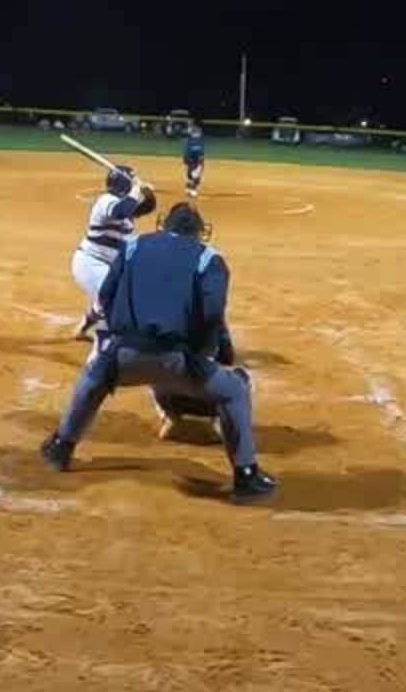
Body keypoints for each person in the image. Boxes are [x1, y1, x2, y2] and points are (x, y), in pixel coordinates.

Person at [40, 202, 277, 505]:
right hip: (175, 359)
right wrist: (205, 353)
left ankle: (61, 447)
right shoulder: (209, 259)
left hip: (123, 355)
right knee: (235, 390)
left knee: (94, 377)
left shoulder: (133, 245)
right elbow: (213, 314)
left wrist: (116, 337)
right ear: (199, 232)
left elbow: (106, 295)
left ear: (164, 225)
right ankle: (246, 476)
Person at [71, 165, 157, 340]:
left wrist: (148, 195)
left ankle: (84, 327)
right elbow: (120, 212)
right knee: (115, 301)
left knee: (112, 298)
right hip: (91, 263)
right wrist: (135, 189)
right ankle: (102, 355)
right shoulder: (106, 201)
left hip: (110, 266)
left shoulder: (124, 203)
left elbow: (146, 208)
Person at [182, 123, 206, 198]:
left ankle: (190, 188)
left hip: (194, 158)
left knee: (194, 174)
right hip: (192, 158)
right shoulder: (190, 141)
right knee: (194, 174)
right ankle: (192, 189)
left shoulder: (196, 141)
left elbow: (201, 153)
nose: (198, 134)